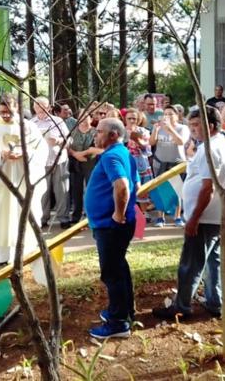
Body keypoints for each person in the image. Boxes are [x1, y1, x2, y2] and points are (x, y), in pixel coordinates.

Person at [153, 106, 225, 322]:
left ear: (210, 126)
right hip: (217, 216)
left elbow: (207, 188)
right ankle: (214, 301)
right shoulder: (218, 146)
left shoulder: (212, 149)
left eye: (196, 125)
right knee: (213, 261)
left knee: (191, 263)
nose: (192, 130)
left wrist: (194, 218)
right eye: (190, 125)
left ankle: (181, 306)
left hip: (206, 217)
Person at [0, 93, 47, 265]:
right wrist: (0, 154)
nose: (6, 114)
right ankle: (1, 258)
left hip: (23, 179)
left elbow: (41, 150)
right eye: (2, 111)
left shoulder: (27, 127)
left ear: (17, 108)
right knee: (0, 217)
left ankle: (24, 253)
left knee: (23, 213)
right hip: (0, 182)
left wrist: (25, 152)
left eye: (9, 110)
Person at [85, 117, 138, 340]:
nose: (95, 135)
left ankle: (118, 324)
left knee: (112, 273)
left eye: (99, 131)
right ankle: (124, 311)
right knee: (119, 268)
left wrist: (117, 213)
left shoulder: (112, 155)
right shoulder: (124, 153)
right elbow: (135, 183)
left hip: (111, 226)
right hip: (114, 224)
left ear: (113, 135)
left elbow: (123, 185)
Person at [33, 96, 71, 229]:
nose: (40, 109)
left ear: (49, 107)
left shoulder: (58, 121)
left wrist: (59, 141)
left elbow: (69, 139)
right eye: (37, 106)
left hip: (59, 160)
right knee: (43, 191)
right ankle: (43, 218)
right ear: (34, 108)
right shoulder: (32, 123)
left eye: (43, 106)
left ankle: (64, 218)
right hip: (40, 162)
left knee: (62, 190)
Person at [151, 105, 191, 225]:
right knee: (160, 189)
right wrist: (155, 130)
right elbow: (151, 142)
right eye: (165, 114)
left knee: (177, 190)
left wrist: (170, 129)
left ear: (177, 116)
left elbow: (181, 141)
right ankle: (160, 217)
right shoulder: (159, 127)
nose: (167, 116)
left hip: (177, 162)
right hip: (160, 162)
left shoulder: (183, 128)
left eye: (170, 114)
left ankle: (177, 216)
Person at [68, 110, 98, 224]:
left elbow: (99, 146)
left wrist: (83, 154)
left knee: (91, 189)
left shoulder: (95, 132)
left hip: (91, 163)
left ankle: (91, 215)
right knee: (76, 190)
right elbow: (67, 146)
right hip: (75, 163)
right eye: (81, 116)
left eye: (86, 116)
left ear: (91, 118)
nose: (84, 119)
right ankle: (76, 216)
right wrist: (76, 154)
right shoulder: (72, 132)